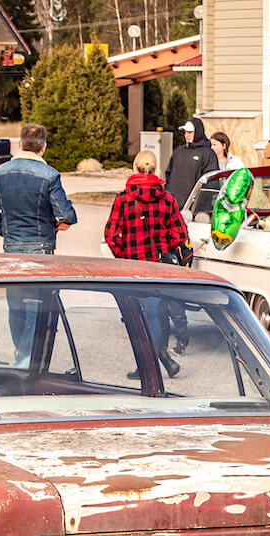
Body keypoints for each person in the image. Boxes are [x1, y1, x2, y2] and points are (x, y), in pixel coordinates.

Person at [0, 123, 77, 365]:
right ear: (43, 148)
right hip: (41, 248)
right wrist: (57, 224)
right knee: (37, 305)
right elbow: (66, 214)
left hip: (12, 246)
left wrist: (6, 230)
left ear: (20, 144)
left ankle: (20, 352)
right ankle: (27, 356)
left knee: (16, 305)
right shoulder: (50, 175)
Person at [104, 151, 189, 379]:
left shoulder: (124, 199)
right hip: (159, 266)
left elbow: (111, 235)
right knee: (155, 314)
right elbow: (180, 233)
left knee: (137, 316)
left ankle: (147, 366)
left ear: (135, 168)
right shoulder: (167, 198)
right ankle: (161, 359)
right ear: (155, 169)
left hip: (133, 266)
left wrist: (124, 256)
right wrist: (166, 248)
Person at [164, 117, 218, 210]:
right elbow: (168, 175)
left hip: (196, 209)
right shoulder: (178, 152)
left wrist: (200, 204)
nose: (186, 135)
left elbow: (212, 182)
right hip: (174, 207)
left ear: (198, 132)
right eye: (185, 132)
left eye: (189, 132)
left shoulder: (208, 154)